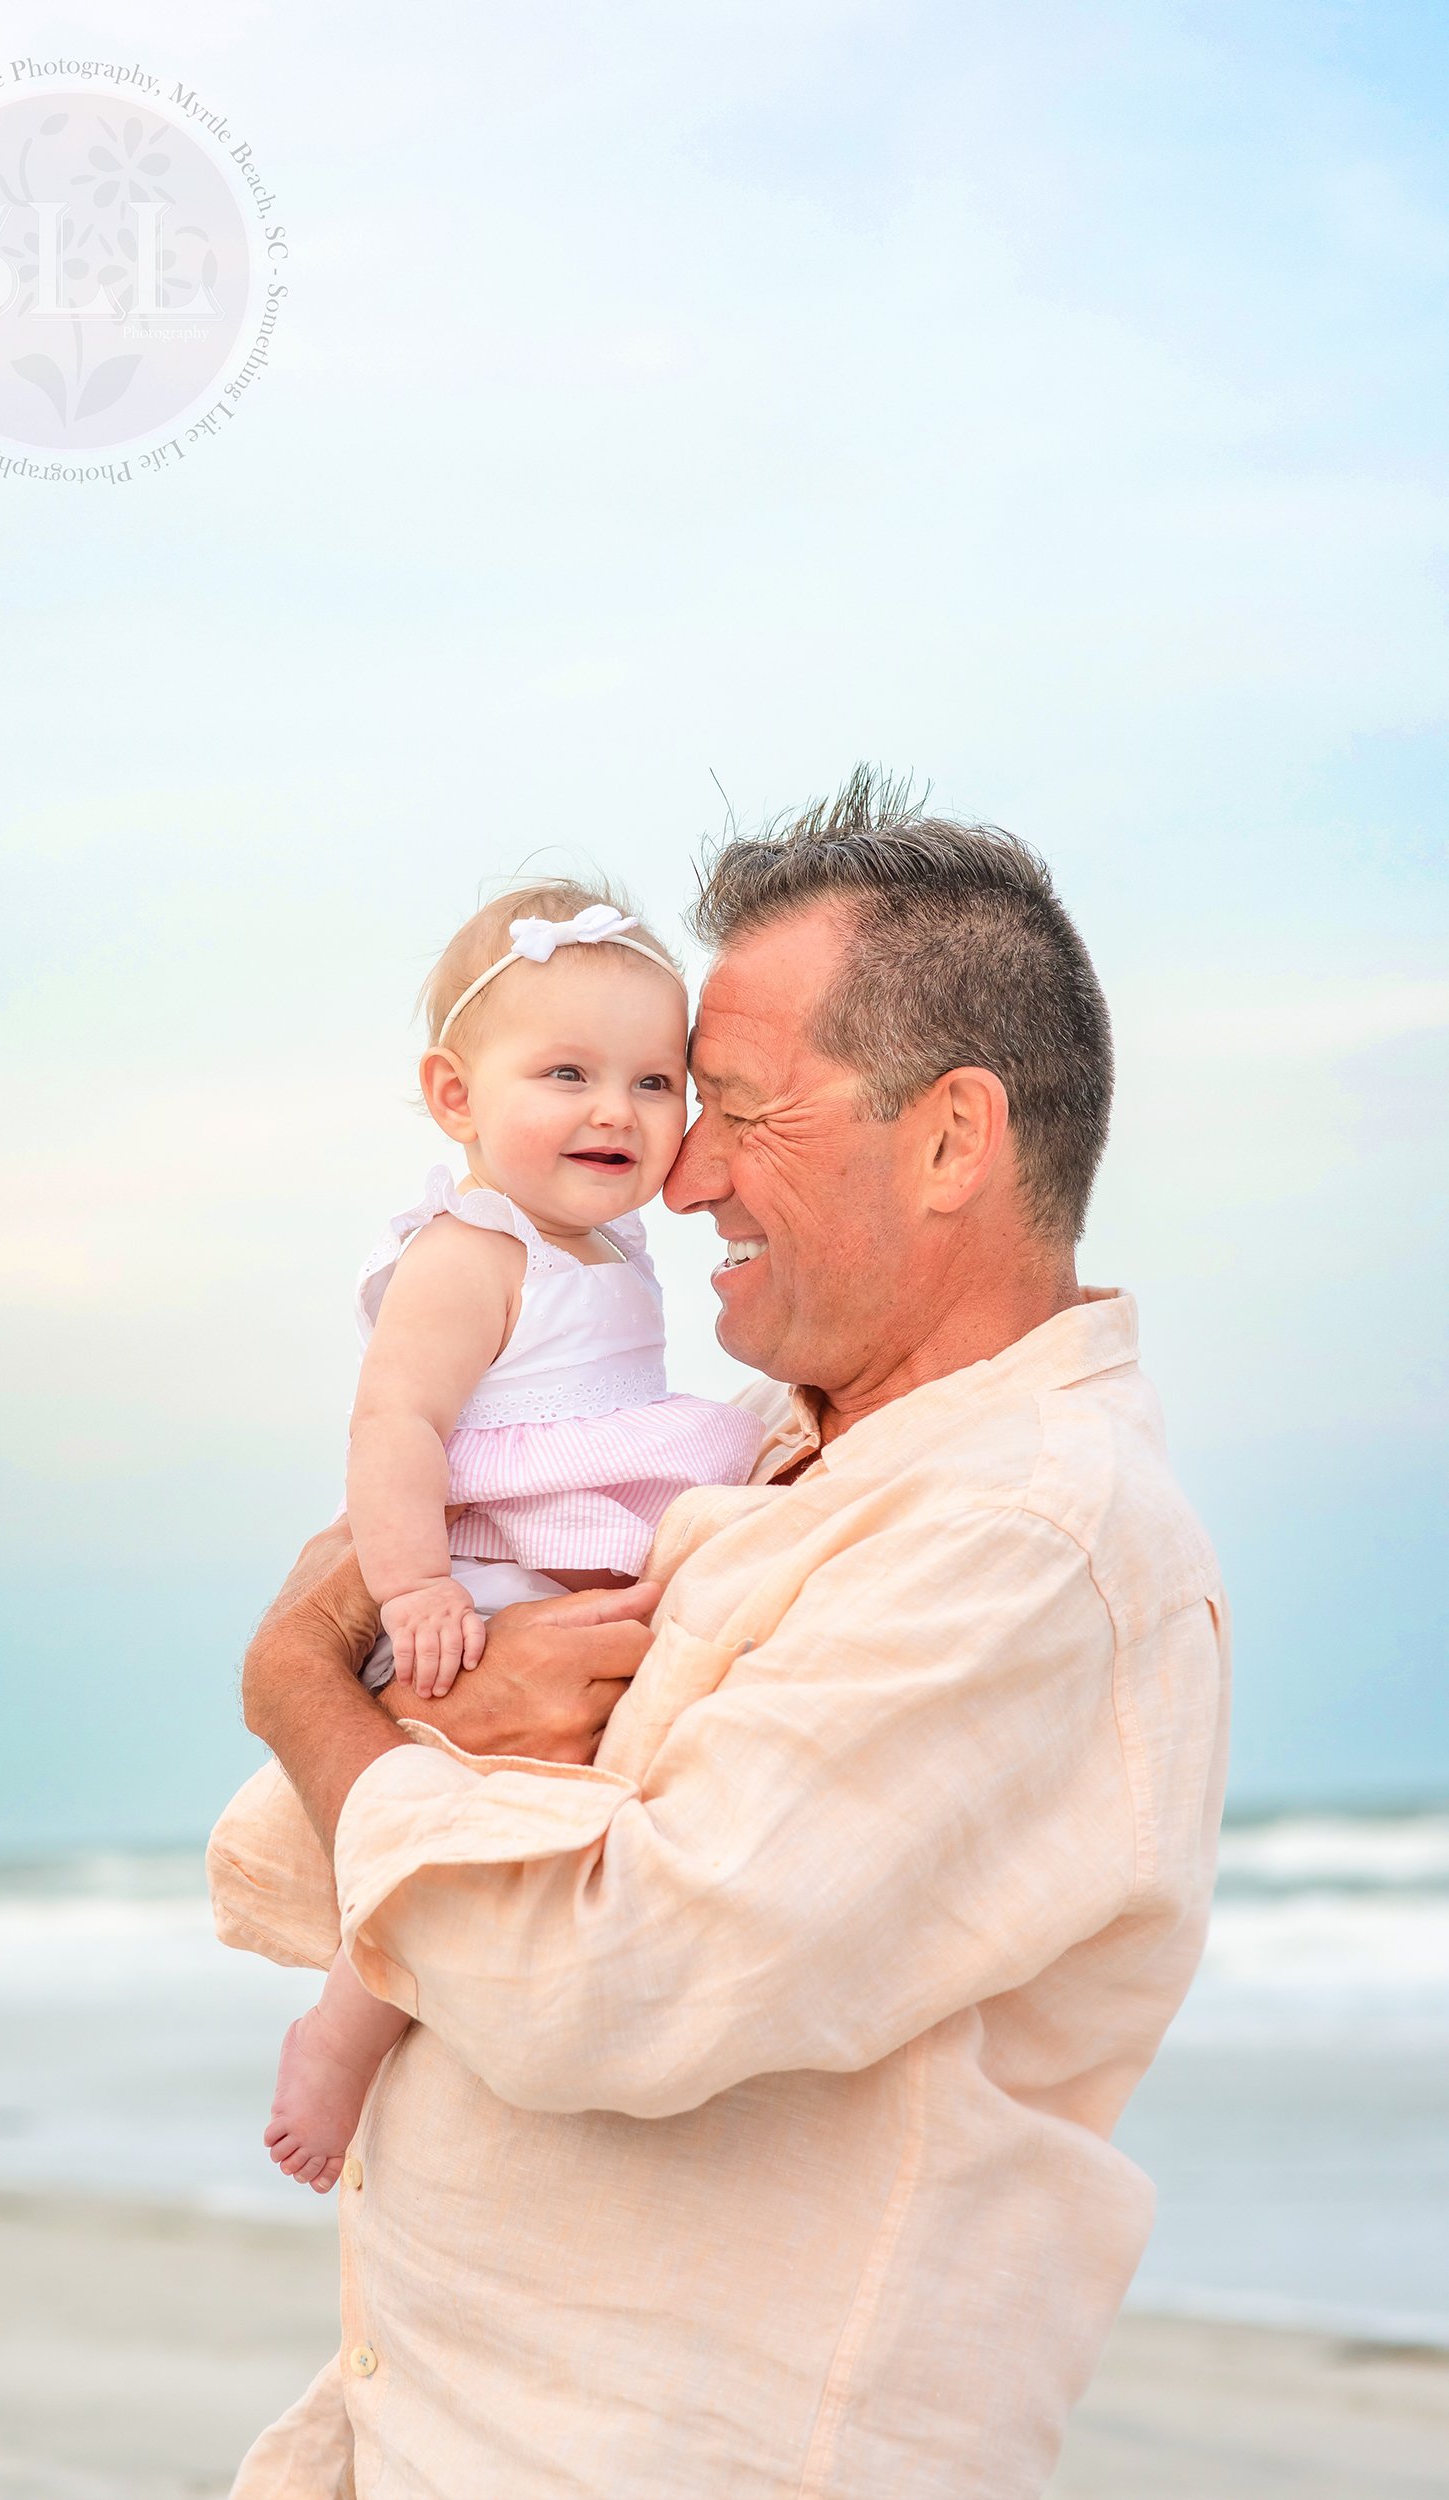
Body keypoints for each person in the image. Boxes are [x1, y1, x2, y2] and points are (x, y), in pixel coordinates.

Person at [208, 767, 1229, 2500]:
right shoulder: (782, 1454)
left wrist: (306, 1686)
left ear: (953, 1137)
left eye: (729, 1104)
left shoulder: (1016, 1531)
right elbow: (337, 1872)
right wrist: (422, 1716)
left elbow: (607, 1986)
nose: (677, 1177)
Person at [263, 882, 760, 2192]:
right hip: (482, 1581)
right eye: (567, 1073)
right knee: (470, 1830)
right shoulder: (473, 1249)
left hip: (571, 1559)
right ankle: (341, 2029)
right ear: (455, 1097)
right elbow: (395, 1425)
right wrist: (414, 1584)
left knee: (563, 1833)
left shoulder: (615, 1249)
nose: (619, 1110)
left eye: (657, 1081)